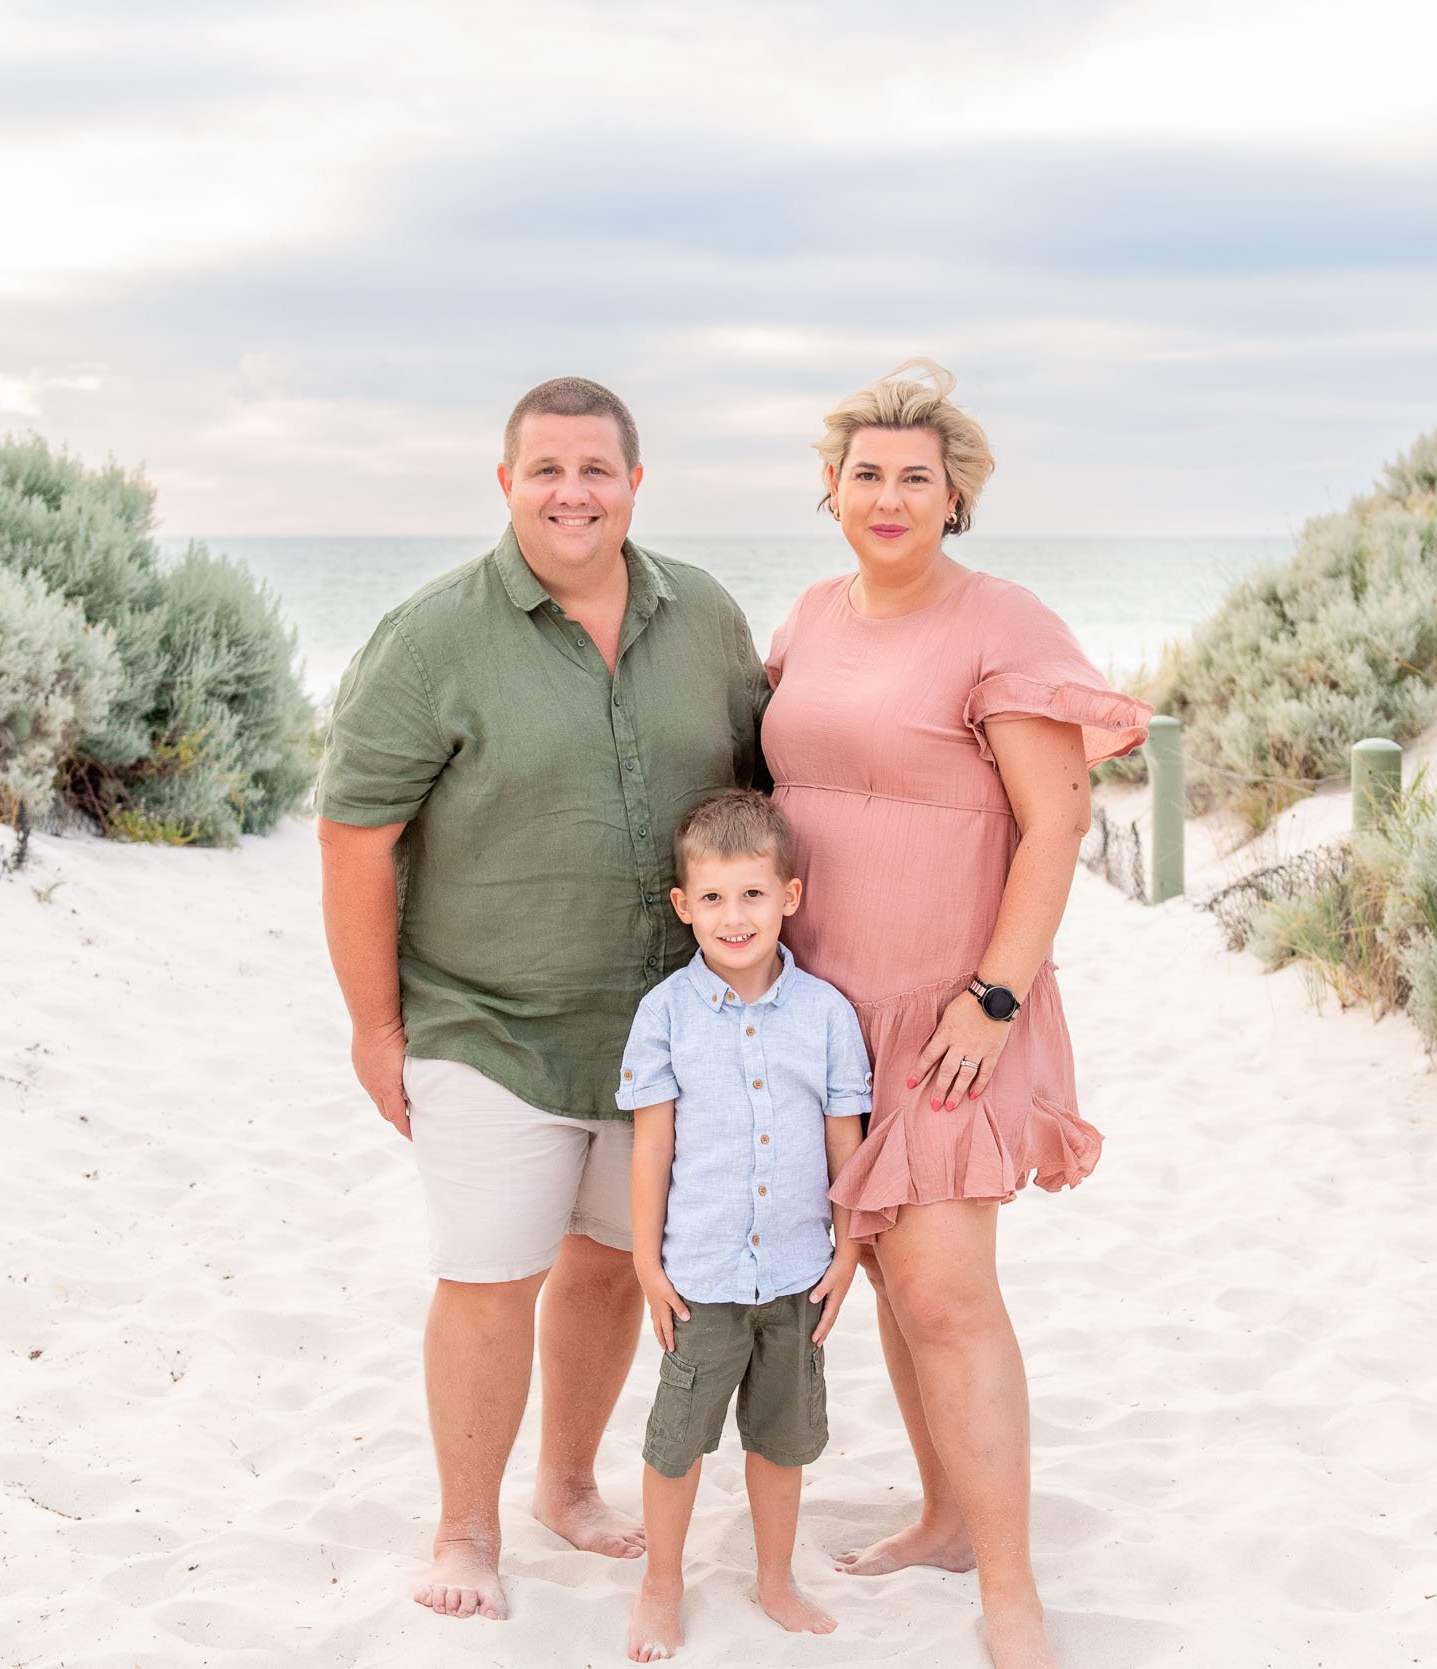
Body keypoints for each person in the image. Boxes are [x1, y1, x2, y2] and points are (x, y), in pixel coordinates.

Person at [317, 376, 769, 1622]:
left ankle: (565, 1485)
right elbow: (355, 835)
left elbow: (763, 792)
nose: (573, 491)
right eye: (547, 469)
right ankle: (465, 1528)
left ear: (635, 483)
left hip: (661, 1026)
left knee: (613, 1263)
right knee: (488, 1270)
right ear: (506, 482)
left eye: (597, 469)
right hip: (485, 1022)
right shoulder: (428, 639)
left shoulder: (708, 616)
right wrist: (373, 1027)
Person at [761, 360, 1150, 1669]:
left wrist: (994, 996)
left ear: (955, 495)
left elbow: (1056, 824)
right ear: (831, 489)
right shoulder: (811, 616)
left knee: (946, 1291)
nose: (887, 495)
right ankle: (940, 1516)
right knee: (878, 1264)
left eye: (914, 477)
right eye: (865, 473)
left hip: (950, 1007)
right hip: (819, 1007)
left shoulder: (1003, 623)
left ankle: (1012, 1588)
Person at [617, 789, 870, 1662]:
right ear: (685, 906)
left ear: (789, 896)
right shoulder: (666, 1016)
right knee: (677, 1442)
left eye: (753, 894)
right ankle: (661, 1583)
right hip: (702, 1278)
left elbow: (847, 1138)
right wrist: (646, 1262)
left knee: (783, 1437)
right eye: (714, 898)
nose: (735, 916)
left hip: (799, 1273)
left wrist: (851, 1245)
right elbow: (651, 1149)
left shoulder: (828, 1015)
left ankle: (775, 1577)